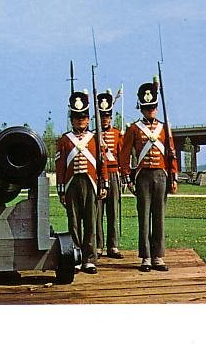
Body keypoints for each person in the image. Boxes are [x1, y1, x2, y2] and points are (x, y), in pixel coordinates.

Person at [119, 80, 178, 272]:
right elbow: (125, 154)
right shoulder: (134, 129)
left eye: (152, 108)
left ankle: (158, 257)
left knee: (159, 217)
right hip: (143, 175)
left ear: (157, 108)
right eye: (146, 108)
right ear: (141, 108)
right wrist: (127, 177)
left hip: (161, 174)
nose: (150, 111)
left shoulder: (164, 128)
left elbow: (171, 153)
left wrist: (174, 177)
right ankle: (145, 257)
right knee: (144, 217)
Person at [55, 90, 108, 274]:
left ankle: (89, 259)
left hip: (90, 183)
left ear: (88, 119)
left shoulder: (95, 139)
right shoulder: (64, 140)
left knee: (91, 222)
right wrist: (61, 190)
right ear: (72, 119)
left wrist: (103, 183)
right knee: (74, 222)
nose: (80, 121)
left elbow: (102, 164)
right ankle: (76, 257)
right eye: (77, 117)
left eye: (83, 117)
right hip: (71, 184)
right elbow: (60, 165)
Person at [95, 89, 124, 260]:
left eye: (107, 116)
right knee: (97, 213)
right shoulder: (93, 136)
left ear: (111, 117)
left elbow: (121, 155)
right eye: (102, 116)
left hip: (113, 174)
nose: (105, 119)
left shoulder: (116, 134)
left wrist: (122, 176)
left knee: (113, 211)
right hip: (98, 176)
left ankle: (113, 245)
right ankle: (98, 245)